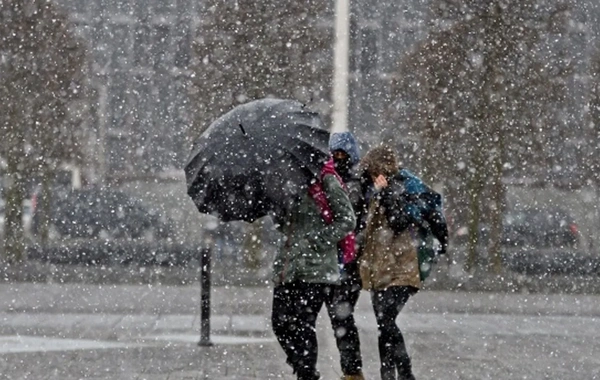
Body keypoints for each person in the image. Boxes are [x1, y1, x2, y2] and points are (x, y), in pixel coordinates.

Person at [358, 144, 448, 380]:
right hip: (380, 266)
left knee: (386, 319)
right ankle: (388, 375)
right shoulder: (374, 189)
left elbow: (400, 221)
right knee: (383, 323)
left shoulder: (402, 186)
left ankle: (405, 374)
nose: (369, 177)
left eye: (372, 171)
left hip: (404, 266)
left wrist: (386, 194)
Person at [271, 157, 356, 380]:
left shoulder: (326, 180)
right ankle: (303, 368)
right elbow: (285, 225)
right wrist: (278, 209)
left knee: (303, 324)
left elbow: (347, 220)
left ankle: (306, 374)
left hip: (316, 268)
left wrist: (318, 240)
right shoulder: (287, 182)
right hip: (288, 267)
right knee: (279, 323)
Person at [326, 132, 366, 380]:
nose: (339, 158)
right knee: (339, 316)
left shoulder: (357, 183)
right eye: (335, 154)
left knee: (341, 316)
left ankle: (352, 369)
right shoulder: (328, 180)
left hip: (349, 260)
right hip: (333, 258)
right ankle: (351, 369)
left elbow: (356, 220)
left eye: (344, 154)